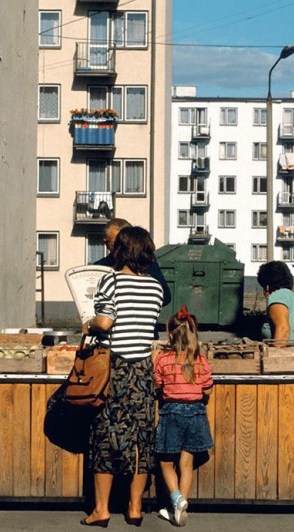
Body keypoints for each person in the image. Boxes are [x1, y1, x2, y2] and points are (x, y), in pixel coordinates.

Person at [81, 226, 165, 528]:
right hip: (142, 369)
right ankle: (134, 507)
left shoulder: (111, 280)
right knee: (142, 438)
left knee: (105, 437)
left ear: (122, 251)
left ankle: (101, 509)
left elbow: (105, 323)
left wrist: (89, 324)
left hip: (113, 369)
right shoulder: (155, 287)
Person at [154, 305, 213, 527]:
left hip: (171, 412)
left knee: (165, 461)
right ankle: (180, 507)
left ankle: (177, 499)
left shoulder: (162, 360)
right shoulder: (201, 361)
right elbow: (207, 389)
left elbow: (157, 385)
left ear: (170, 335)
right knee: (186, 463)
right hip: (196, 412)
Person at [95, 218, 172, 308]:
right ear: (106, 243)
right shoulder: (98, 267)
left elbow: (165, 295)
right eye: (115, 243)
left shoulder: (146, 263)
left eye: (123, 243)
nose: (120, 247)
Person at [257, 261, 294, 344]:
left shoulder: (278, 296)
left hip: (293, 352)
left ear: (267, 286)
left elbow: (283, 331)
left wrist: (273, 354)